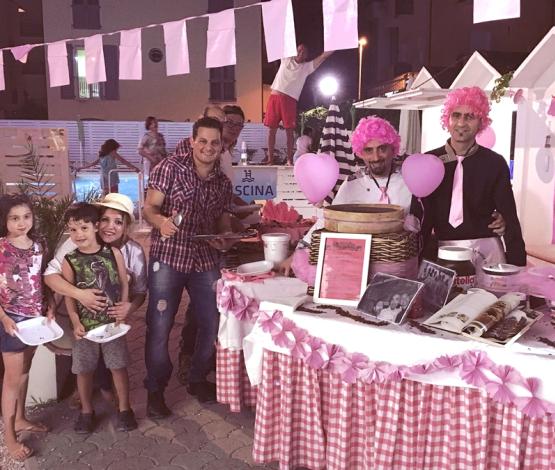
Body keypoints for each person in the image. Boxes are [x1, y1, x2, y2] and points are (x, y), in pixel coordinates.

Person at [143, 116, 235, 417]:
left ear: (222, 146)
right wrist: (161, 222)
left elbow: (222, 217)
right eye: (203, 141)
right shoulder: (170, 167)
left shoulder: (222, 182)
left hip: (205, 258)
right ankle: (155, 391)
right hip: (169, 255)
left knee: (211, 323)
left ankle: (196, 379)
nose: (209, 147)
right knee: (160, 327)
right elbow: (149, 208)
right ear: (193, 141)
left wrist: (224, 237)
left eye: (215, 142)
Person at [44, 193, 147, 407]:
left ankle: (109, 391)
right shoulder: (79, 242)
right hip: (80, 313)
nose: (111, 227)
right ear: (97, 222)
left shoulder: (133, 251)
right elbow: (50, 275)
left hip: (112, 317)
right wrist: (80, 294)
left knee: (114, 355)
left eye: (118, 221)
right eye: (106, 219)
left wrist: (129, 307)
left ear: (126, 225)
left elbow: (139, 290)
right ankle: (88, 390)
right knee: (86, 354)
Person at [417, 87, 526, 267]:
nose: (461, 123)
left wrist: (518, 265)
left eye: (470, 117)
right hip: (443, 250)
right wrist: (416, 259)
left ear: (481, 121)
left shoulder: (495, 163)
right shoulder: (430, 161)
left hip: (487, 251)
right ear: (447, 119)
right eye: (456, 115)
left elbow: (509, 215)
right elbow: (423, 216)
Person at [60, 203, 137, 434]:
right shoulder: (70, 259)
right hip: (85, 327)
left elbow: (124, 282)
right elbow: (68, 294)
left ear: (95, 227)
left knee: (118, 366)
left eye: (83, 228)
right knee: (83, 370)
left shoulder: (113, 253)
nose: (78, 235)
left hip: (112, 324)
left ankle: (125, 409)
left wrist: (124, 306)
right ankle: (86, 410)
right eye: (72, 230)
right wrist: (75, 321)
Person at [0, 194, 54, 461]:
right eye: (14, 218)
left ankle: (20, 418)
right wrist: (3, 317)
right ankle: (9, 437)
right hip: (10, 321)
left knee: (25, 371)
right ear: (5, 221)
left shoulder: (40, 245)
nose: (22, 223)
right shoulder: (0, 247)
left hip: (35, 320)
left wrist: (51, 304)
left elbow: (42, 280)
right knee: (11, 380)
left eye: (26, 217)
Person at [263, 44, 333, 165]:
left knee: (289, 131)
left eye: (304, 52)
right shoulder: (286, 60)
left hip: (289, 100)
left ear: (306, 56)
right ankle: (270, 159)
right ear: (294, 51)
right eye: (299, 50)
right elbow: (278, 42)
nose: (300, 53)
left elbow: (323, 57)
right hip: (274, 96)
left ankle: (289, 159)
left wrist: (335, 44)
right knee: (271, 130)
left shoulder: (306, 67)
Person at [138, 116, 168, 188]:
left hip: (161, 161)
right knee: (152, 180)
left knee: (162, 180)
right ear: (149, 125)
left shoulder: (161, 136)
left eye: (155, 122)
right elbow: (140, 150)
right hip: (151, 162)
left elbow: (163, 149)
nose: (155, 124)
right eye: (152, 123)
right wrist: (150, 158)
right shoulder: (146, 136)